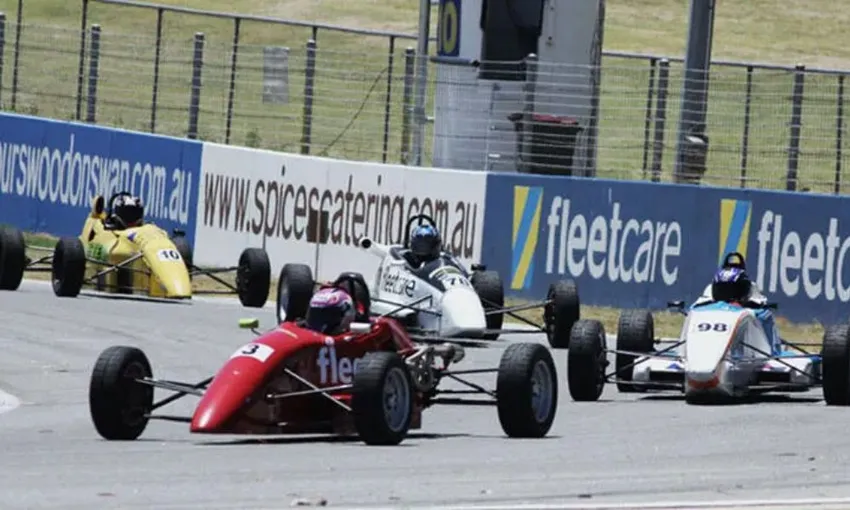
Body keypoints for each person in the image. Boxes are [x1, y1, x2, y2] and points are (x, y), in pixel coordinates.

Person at [692, 252, 779, 352]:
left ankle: (771, 351)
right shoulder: (708, 294)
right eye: (723, 289)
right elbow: (694, 309)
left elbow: (763, 312)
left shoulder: (753, 291)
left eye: (733, 288)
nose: (728, 293)